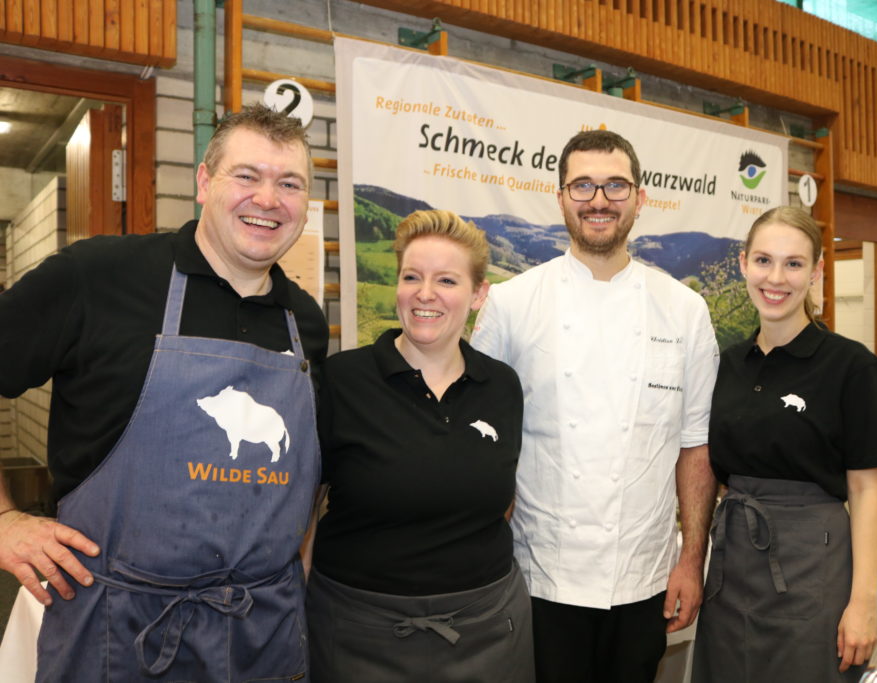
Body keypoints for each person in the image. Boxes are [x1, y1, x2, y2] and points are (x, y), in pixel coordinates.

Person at [0, 103, 328, 681]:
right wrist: (2, 520)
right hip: (117, 635)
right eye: (246, 176)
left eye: (289, 183)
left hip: (263, 633)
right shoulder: (97, 277)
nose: (268, 199)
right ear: (204, 181)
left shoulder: (304, 323)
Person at [471, 130, 720, 683]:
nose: (599, 200)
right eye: (582, 185)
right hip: (537, 575)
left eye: (614, 185)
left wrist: (690, 560)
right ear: (560, 196)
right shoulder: (511, 306)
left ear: (640, 197)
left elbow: (695, 447)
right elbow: (478, 441)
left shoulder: (684, 311)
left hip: (645, 576)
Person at [307, 209, 532, 682]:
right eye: (412, 277)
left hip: (485, 629)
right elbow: (305, 507)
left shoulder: (502, 386)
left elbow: (500, 501)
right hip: (358, 631)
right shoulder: (344, 380)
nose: (425, 294)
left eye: (446, 280)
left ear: (478, 294)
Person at [691, 206, 877, 682]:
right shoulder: (725, 365)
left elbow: (867, 491)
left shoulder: (851, 366)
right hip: (730, 571)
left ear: (816, 272)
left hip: (814, 569)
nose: (776, 278)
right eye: (764, 260)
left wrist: (863, 604)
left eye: (793, 263)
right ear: (744, 264)